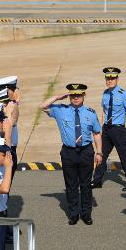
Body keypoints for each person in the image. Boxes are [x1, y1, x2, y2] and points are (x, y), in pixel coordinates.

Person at [40, 83, 103, 225]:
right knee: (71, 184)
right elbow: (43, 106)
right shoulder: (60, 110)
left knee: (86, 184)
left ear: (83, 96)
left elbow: (97, 133)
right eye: (73, 95)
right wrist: (57, 97)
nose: (75, 98)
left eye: (78, 95)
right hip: (68, 152)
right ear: (69, 96)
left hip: (86, 151)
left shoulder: (91, 113)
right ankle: (74, 213)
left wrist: (99, 153)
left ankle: (86, 214)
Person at [91, 67, 126, 191]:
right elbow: (103, 111)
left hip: (118, 130)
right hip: (107, 129)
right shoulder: (105, 93)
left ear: (117, 79)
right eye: (108, 78)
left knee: (123, 155)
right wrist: (101, 128)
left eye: (112, 78)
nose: (110, 81)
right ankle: (97, 180)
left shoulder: (124, 94)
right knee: (101, 154)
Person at [0, 76, 20, 179]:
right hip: (4, 149)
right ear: (8, 91)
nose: (17, 91)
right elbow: (12, 122)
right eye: (14, 89)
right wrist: (15, 102)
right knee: (3, 184)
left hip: (8, 148)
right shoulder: (4, 106)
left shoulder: (8, 104)